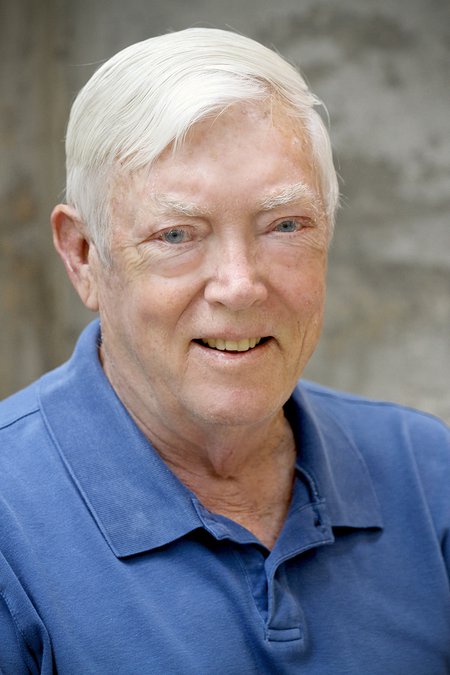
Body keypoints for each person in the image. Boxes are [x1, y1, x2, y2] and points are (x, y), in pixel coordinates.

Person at [0, 27, 449, 675]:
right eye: (178, 233)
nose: (240, 285)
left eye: (285, 225)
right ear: (83, 256)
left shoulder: (426, 472)